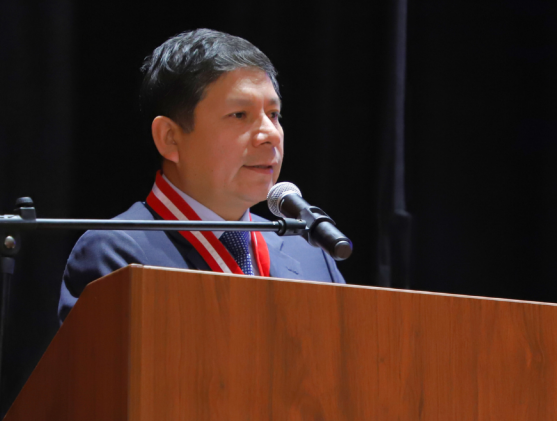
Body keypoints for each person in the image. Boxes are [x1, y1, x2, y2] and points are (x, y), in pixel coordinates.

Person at [58, 29, 345, 323]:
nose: (270, 134)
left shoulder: (310, 253)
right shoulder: (116, 256)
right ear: (170, 138)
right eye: (239, 115)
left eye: (273, 114)